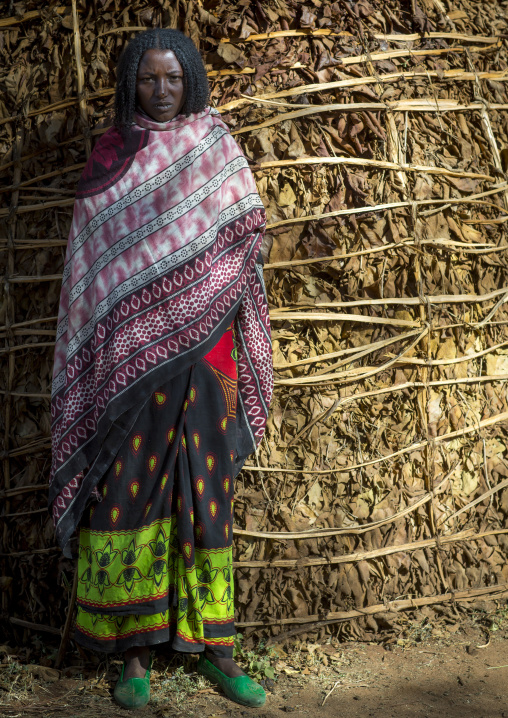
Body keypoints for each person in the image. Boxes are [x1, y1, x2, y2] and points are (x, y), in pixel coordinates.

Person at [49, 28, 273, 710]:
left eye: (173, 78)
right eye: (149, 79)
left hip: (208, 357)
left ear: (192, 78)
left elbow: (247, 233)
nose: (162, 90)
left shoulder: (217, 146)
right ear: (131, 82)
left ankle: (220, 650)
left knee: (208, 498)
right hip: (131, 368)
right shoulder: (113, 155)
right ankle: (133, 656)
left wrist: (201, 285)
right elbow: (93, 269)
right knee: (129, 494)